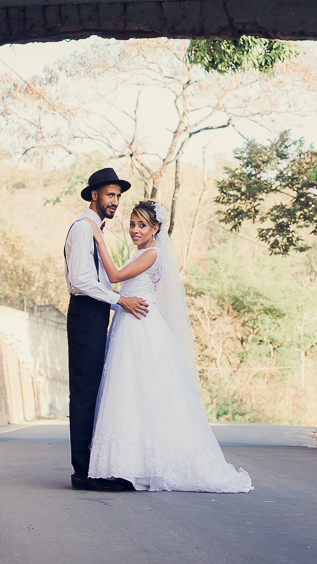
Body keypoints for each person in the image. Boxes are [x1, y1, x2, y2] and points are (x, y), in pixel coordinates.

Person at [84, 199, 253, 493]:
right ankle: (126, 463)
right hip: (129, 323)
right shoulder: (141, 253)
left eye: (142, 225)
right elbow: (127, 290)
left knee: (142, 390)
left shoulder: (152, 254)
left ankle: (143, 463)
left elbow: (114, 277)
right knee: (130, 392)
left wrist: (99, 239)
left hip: (140, 328)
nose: (135, 230)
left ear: (155, 228)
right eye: (133, 224)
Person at [64, 167, 148, 492]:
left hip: (97, 312)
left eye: (118, 196)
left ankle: (92, 466)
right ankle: (83, 472)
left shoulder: (96, 229)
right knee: (84, 390)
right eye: (110, 195)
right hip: (87, 311)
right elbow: (81, 280)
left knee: (94, 388)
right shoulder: (83, 229)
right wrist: (119, 301)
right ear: (94, 195)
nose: (115, 201)